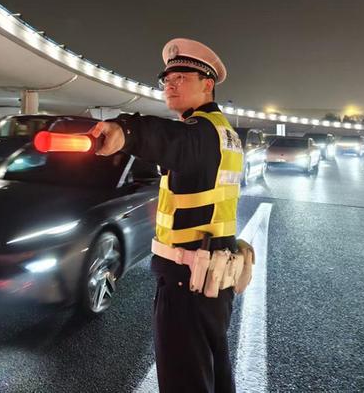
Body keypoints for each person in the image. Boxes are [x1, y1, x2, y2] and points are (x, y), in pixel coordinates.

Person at [91, 38, 253, 393]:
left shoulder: (201, 133)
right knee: (213, 372)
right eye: (166, 78)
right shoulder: (224, 132)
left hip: (188, 284)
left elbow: (168, 138)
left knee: (184, 381)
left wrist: (124, 131)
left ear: (207, 84)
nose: (170, 84)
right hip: (211, 278)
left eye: (181, 77)